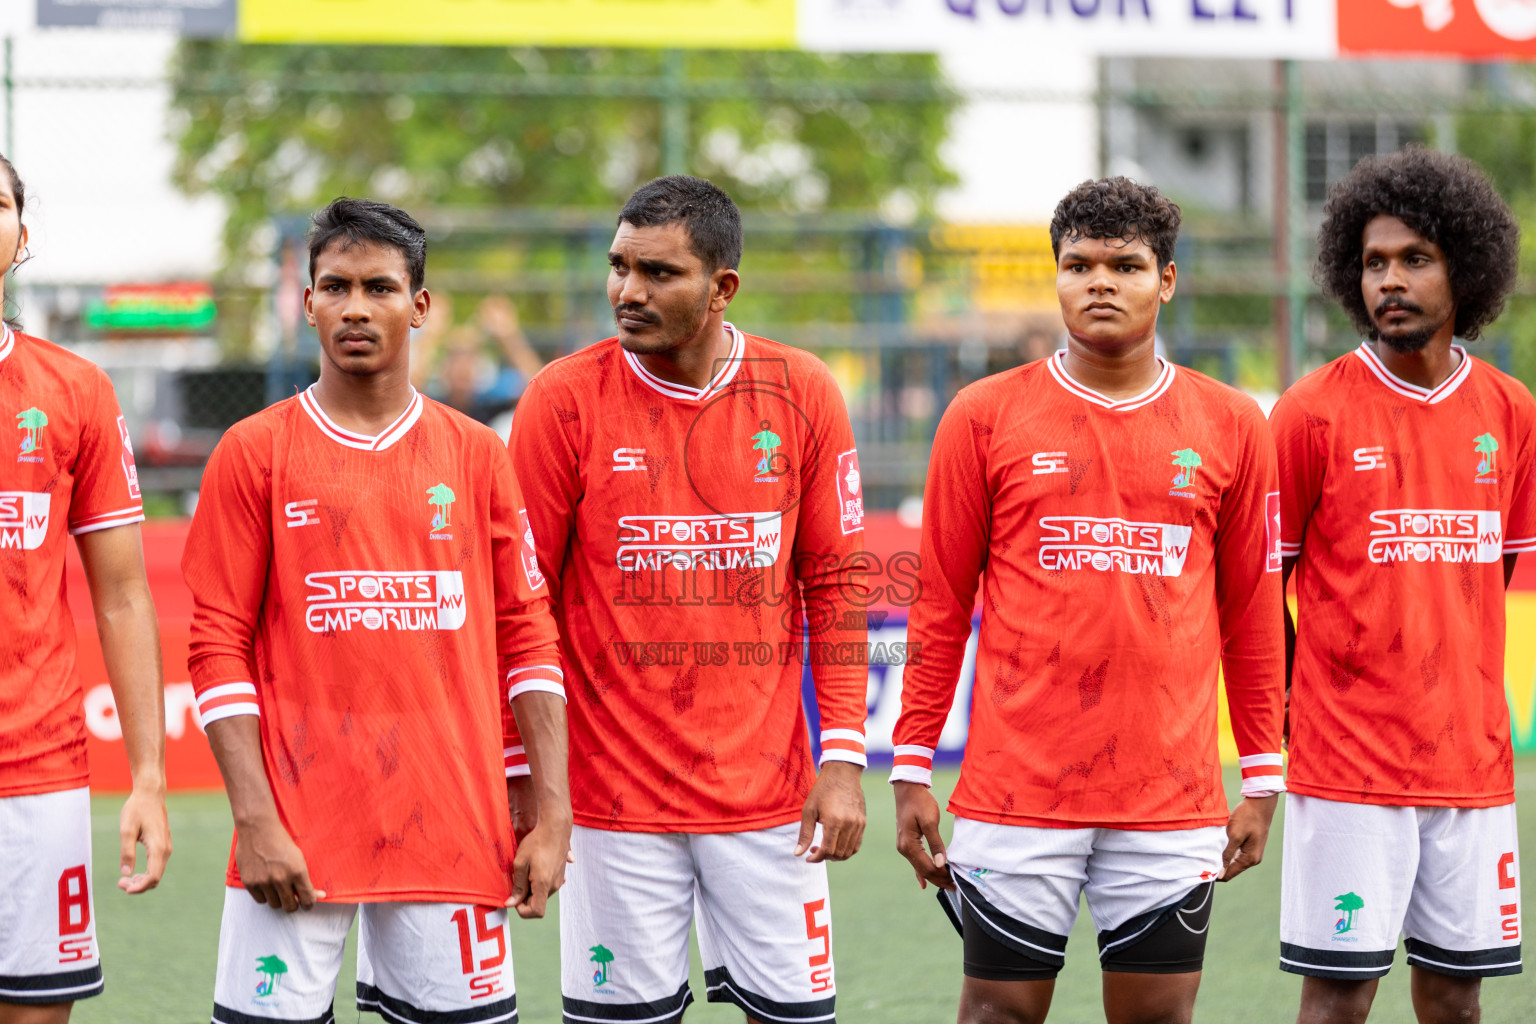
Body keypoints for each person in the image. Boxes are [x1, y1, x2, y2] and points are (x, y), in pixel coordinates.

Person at [891, 177, 1286, 1024]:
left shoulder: (1230, 423)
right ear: (1056, 276)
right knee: (997, 1014)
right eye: (1079, 264)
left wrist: (1262, 774)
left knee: (1155, 1020)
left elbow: (1252, 612)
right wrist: (912, 768)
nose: (1099, 282)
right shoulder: (984, 416)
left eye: (1126, 264)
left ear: (1167, 280)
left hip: (1168, 795)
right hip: (1016, 794)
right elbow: (939, 606)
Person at [183, 197, 570, 1024]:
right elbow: (216, 645)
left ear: (420, 305)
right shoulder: (255, 452)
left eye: (381, 287)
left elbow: (528, 635)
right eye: (336, 287)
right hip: (294, 831)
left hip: (453, 832)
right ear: (311, 302)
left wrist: (551, 808)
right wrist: (253, 819)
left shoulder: (476, 455)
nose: (356, 307)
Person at [509, 174, 870, 1024]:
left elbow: (839, 585)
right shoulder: (563, 401)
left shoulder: (804, 390)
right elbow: (520, 609)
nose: (628, 292)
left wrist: (845, 762)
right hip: (611, 808)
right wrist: (527, 778)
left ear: (722, 288)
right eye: (619, 266)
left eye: (659, 273)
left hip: (771, 805)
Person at [1273, 148, 1530, 1024]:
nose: (1391, 279)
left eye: (1415, 259)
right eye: (1375, 262)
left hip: (1473, 765)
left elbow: (1486, 576)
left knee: (1457, 1003)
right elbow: (1263, 587)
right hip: (1348, 770)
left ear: (1466, 267)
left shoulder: (1511, 412)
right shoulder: (1310, 412)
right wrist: (1293, 717)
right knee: (1338, 1002)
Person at [0, 154, 171, 1021]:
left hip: (36, 771)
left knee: (35, 1012)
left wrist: (146, 774)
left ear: (21, 238)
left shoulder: (74, 391)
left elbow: (124, 596)